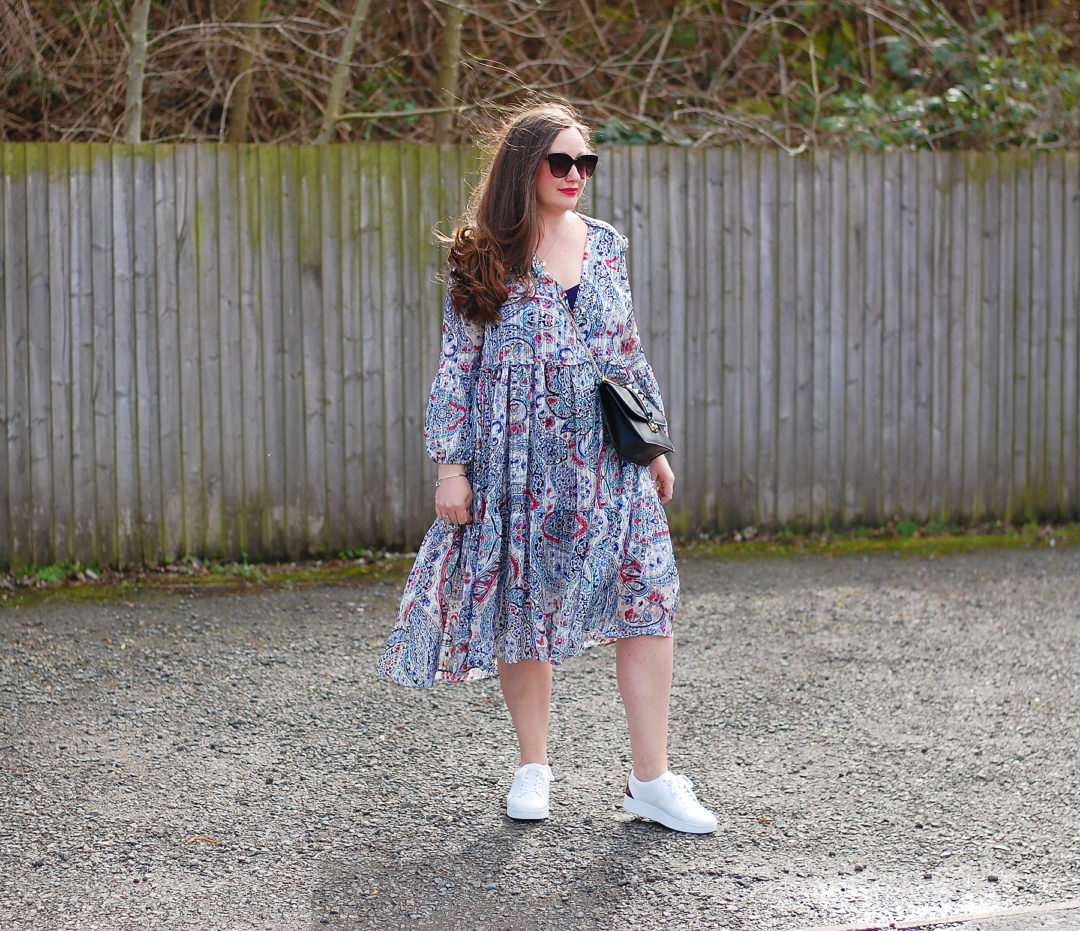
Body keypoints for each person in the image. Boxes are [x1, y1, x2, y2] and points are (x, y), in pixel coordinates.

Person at [377, 101, 716, 834]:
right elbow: (455, 368)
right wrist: (450, 469)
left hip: (607, 460)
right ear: (523, 167)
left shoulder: (607, 245)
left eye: (584, 163)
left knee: (649, 596)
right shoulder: (481, 254)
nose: (574, 175)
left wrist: (653, 445)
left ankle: (651, 779)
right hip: (517, 462)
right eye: (559, 161)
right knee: (526, 607)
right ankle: (533, 765)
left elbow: (624, 349)